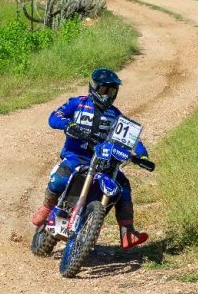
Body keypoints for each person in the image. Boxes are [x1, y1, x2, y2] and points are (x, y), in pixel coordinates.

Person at [30, 68, 149, 250]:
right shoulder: (77, 103)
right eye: (104, 90)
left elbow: (133, 139)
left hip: (102, 162)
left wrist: (142, 155)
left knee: (122, 186)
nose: (108, 95)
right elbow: (54, 117)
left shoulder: (115, 115)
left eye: (112, 91)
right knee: (60, 178)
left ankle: (127, 231)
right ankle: (47, 208)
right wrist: (68, 124)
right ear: (94, 88)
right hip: (76, 156)